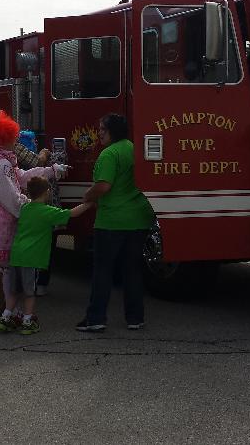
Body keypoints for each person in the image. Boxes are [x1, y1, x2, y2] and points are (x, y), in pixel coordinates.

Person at [0, 111, 65, 328]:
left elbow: (22, 176)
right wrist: (26, 208)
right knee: (8, 268)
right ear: (4, 138)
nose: (16, 140)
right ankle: (13, 311)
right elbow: (9, 195)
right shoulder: (2, 163)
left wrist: (50, 170)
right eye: (13, 136)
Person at [76, 113, 155, 333]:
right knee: (133, 271)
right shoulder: (133, 148)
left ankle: (96, 318)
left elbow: (103, 186)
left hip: (112, 221)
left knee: (103, 271)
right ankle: (135, 318)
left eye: (102, 129)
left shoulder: (109, 154)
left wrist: (88, 196)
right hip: (138, 218)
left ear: (113, 131)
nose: (99, 133)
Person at [0, 176, 90, 335]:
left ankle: (5, 317)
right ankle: (27, 321)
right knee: (29, 292)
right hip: (32, 258)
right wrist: (89, 204)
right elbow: (72, 214)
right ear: (46, 192)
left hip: (17, 255)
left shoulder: (24, 209)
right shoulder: (47, 212)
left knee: (14, 291)